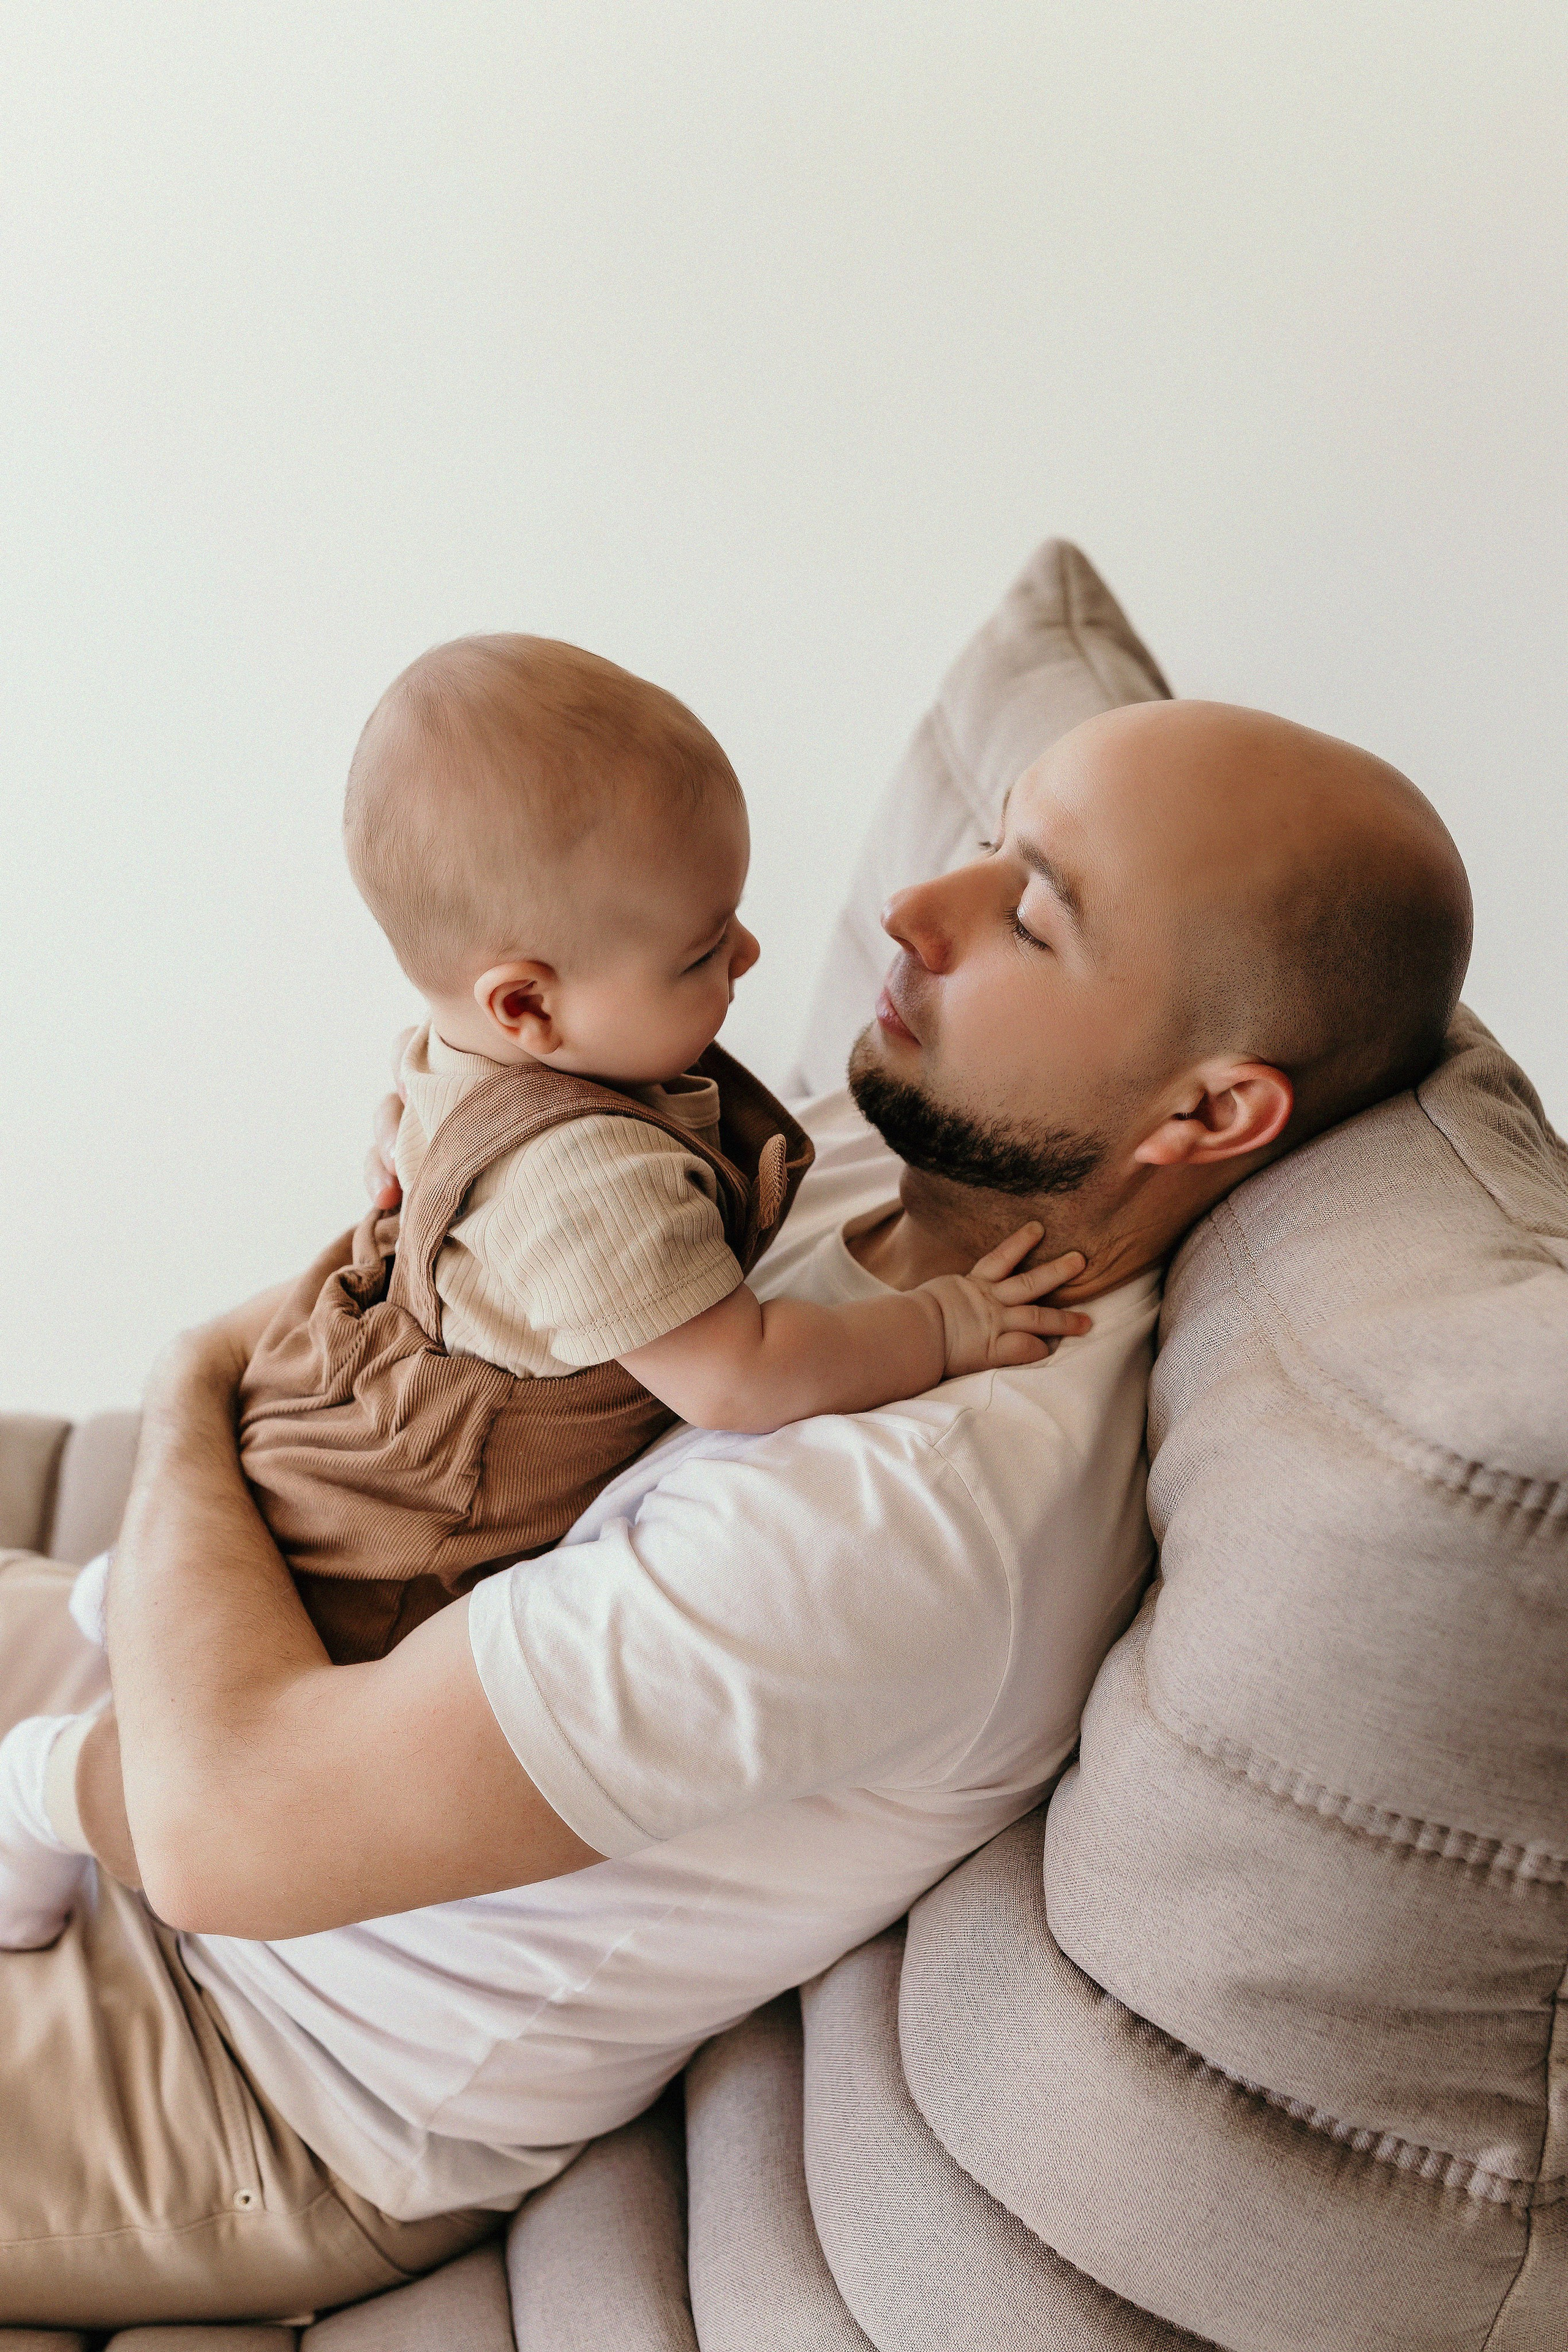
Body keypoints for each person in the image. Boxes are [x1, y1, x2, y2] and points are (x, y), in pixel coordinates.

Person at [0, 699, 1471, 2328]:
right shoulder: (887, 1166)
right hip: (195, 1704)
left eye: (1032, 911)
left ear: (1208, 1115)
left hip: (252, 2067)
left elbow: (222, 1842)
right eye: (987, 835)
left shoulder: (895, 1529)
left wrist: (189, 1374)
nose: (918, 909)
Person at [0, 632, 1085, 1940]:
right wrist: (944, 1323)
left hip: (317, 1418)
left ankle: (112, 1613)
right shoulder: (586, 1176)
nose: (745, 953)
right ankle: (52, 1784)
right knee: (190, 1732)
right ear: (524, 1009)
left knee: (160, 1610)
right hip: (405, 1526)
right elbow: (737, 1376)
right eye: (698, 954)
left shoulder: (462, 1052)